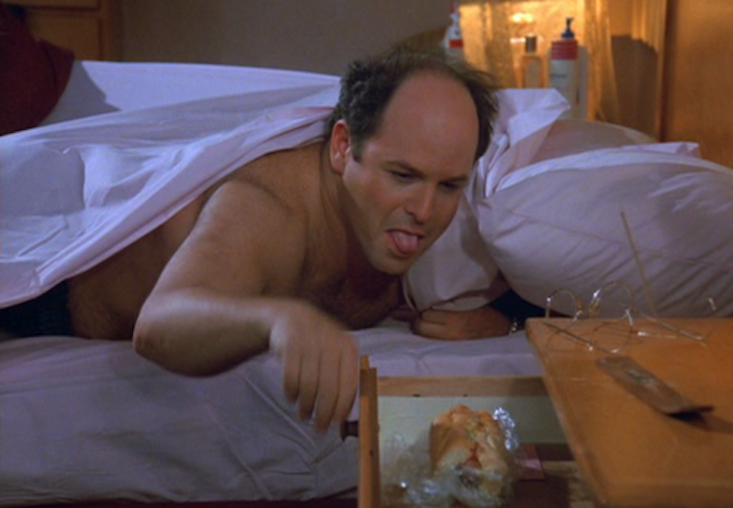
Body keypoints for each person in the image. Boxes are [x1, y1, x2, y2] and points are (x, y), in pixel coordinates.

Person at [0, 47, 506, 429]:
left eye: (448, 186)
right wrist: (279, 319)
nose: (424, 211)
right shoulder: (268, 209)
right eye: (402, 175)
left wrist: (505, 317)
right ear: (342, 147)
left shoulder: (409, 226)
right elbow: (158, 324)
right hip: (42, 287)